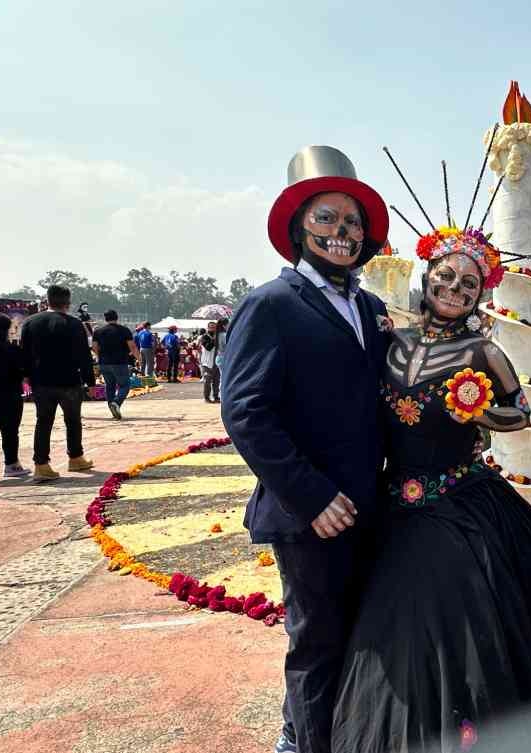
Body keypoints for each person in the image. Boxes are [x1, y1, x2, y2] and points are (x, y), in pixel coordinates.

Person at [331, 226, 531, 753]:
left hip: (460, 504)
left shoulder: (484, 350)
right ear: (428, 275)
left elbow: (520, 411)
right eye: (447, 276)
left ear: (482, 293)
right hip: (393, 503)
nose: (455, 289)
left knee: (458, 623)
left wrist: (482, 412)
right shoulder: (391, 342)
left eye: (469, 283)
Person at [220, 146, 391, 753]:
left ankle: (325, 733)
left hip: (371, 506)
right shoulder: (272, 302)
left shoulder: (370, 308)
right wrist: (314, 497)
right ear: (298, 228)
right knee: (317, 644)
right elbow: (245, 412)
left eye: (351, 222)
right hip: (309, 514)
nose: (342, 232)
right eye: (326, 218)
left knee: (362, 636)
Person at [19, 284, 95, 482]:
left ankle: (41, 464)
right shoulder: (74, 324)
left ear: (47, 300)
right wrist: (90, 380)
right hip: (68, 380)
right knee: (73, 420)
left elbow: (24, 353)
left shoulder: (30, 323)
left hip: (41, 381)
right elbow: (83, 355)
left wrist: (26, 375)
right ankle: (76, 458)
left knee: (43, 422)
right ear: (68, 302)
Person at [0, 313, 29, 478]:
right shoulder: (12, 349)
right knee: (9, 431)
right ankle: (11, 464)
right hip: (9, 394)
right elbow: (22, 371)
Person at [92, 310, 139, 420]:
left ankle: (112, 406)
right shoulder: (124, 330)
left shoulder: (98, 331)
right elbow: (132, 346)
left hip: (104, 363)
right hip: (119, 362)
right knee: (125, 385)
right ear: (117, 317)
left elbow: (94, 347)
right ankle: (116, 403)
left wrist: (100, 356)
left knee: (110, 385)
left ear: (105, 318)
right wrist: (139, 359)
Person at [200, 320, 222, 403]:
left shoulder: (218, 337)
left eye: (214, 327)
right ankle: (207, 397)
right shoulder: (204, 337)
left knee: (216, 381)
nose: (213, 328)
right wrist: (214, 339)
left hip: (216, 362)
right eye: (211, 327)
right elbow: (208, 347)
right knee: (207, 381)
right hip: (206, 363)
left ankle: (216, 397)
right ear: (208, 328)